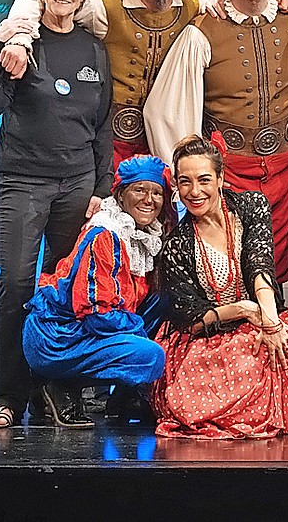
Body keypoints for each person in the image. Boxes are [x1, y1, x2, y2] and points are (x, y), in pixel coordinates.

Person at [0, 0, 113, 429]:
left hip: (76, 184)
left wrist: (100, 188)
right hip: (22, 180)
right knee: (16, 283)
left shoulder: (94, 49)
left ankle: (57, 394)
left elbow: (103, 127)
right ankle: (9, 397)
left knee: (66, 289)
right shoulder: (20, 39)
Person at [145, 0, 288, 282]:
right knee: (232, 249)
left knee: (281, 249)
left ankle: (277, 318)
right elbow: (165, 108)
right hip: (230, 166)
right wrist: (187, 172)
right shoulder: (201, 30)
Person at [0, 0, 208, 170]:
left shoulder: (191, 5)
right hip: (110, 145)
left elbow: (229, 2)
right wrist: (20, 37)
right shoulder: (104, 6)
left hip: (163, 144)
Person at [151, 134, 288, 439]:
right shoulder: (177, 244)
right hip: (212, 335)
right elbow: (192, 321)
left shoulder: (251, 205)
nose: (195, 191)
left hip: (261, 318)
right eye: (185, 182)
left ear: (220, 178)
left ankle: (274, 404)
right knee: (237, 355)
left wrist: (271, 323)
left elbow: (260, 266)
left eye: (204, 180)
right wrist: (244, 310)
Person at [22, 155, 172, 428]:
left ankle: (123, 397)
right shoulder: (106, 235)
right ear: (121, 194)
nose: (149, 199)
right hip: (57, 338)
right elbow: (98, 314)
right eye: (139, 190)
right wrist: (141, 334)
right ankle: (61, 384)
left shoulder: (142, 238)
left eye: (157, 192)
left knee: (162, 302)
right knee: (151, 356)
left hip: (85, 332)